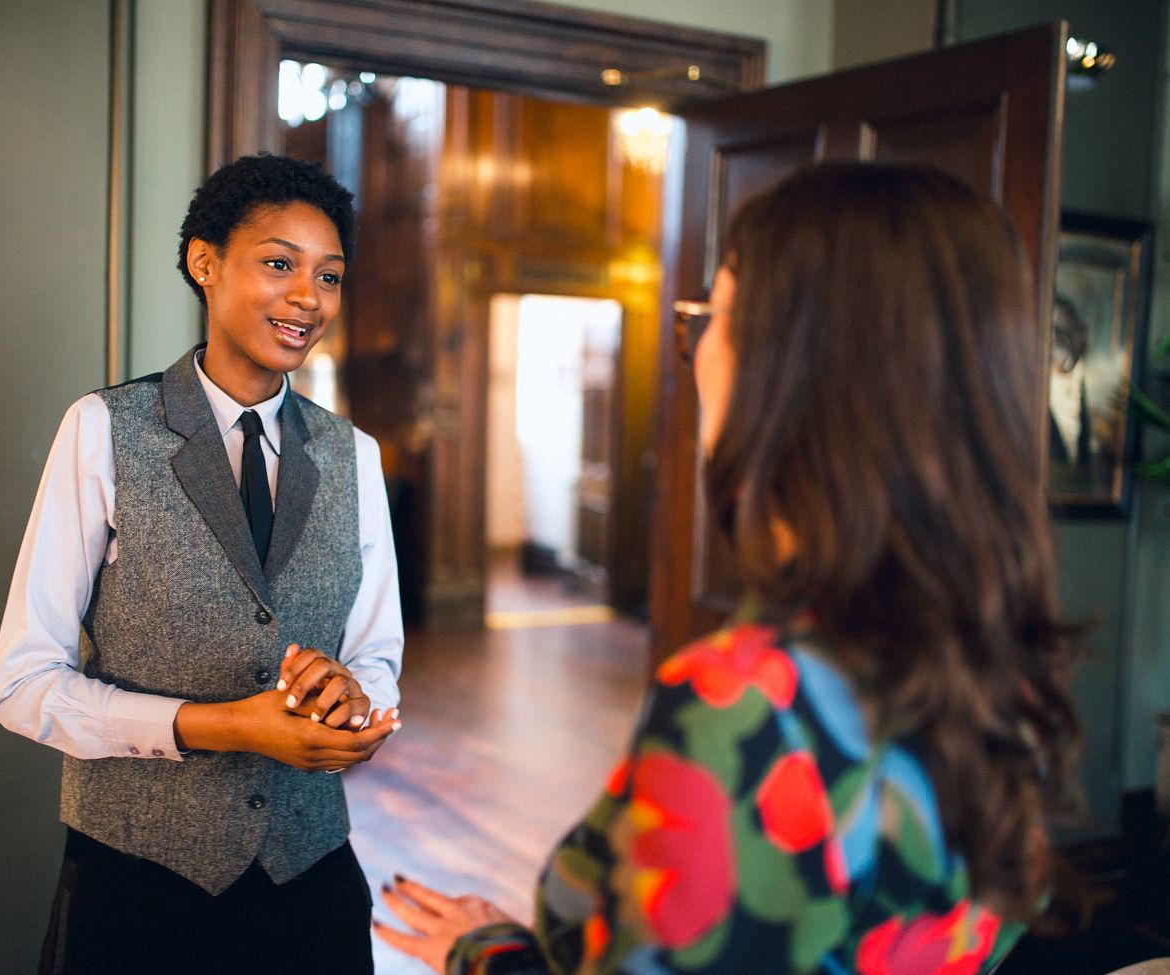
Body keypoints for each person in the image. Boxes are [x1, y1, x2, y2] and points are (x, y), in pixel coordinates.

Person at [374, 162, 1079, 973]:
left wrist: (493, 957)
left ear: (802, 365)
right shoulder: (1002, 654)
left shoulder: (748, 702)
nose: (697, 346)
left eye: (717, 309)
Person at [0, 153, 404, 974]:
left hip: (312, 882)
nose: (307, 297)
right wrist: (214, 725)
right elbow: (22, 684)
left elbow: (379, 658)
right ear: (204, 262)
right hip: (140, 889)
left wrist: (359, 704)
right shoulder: (104, 429)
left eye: (329, 275)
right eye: (279, 263)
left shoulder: (354, 455)